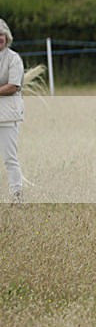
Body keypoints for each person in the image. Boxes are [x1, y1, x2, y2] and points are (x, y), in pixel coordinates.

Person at [0, 18, 25, 204]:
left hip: (8, 116)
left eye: (1, 35)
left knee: (9, 157)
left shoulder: (14, 58)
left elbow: (14, 86)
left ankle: (17, 195)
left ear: (6, 37)